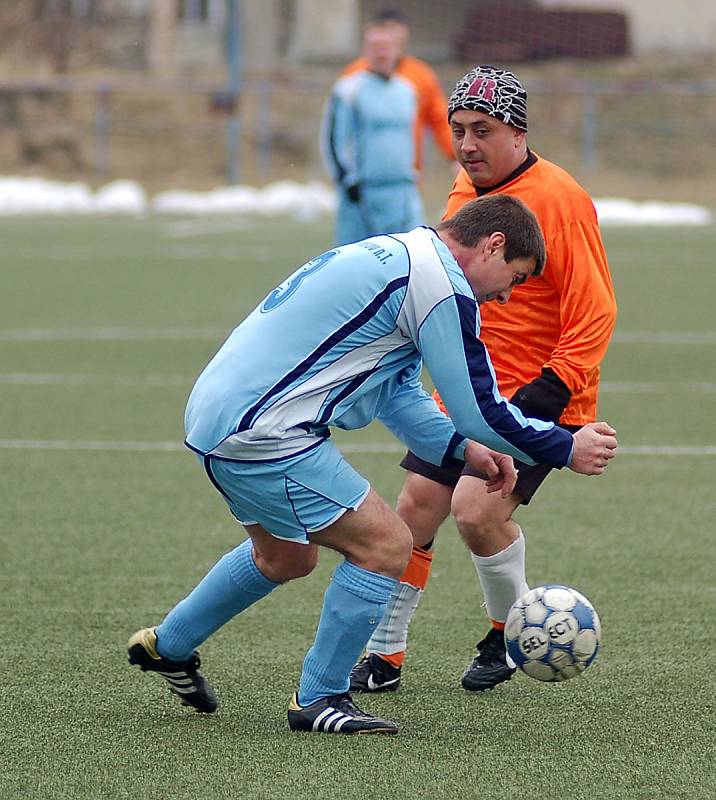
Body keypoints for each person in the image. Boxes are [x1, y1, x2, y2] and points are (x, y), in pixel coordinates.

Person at [126, 194, 617, 736]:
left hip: (219, 417)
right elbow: (480, 408)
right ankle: (319, 697)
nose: (505, 296)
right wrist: (564, 447)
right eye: (515, 278)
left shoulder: (403, 255)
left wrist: (464, 452)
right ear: (494, 244)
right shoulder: (443, 286)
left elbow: (397, 395)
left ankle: (166, 646)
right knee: (386, 545)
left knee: (286, 556)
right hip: (266, 431)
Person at [350, 65, 618, 697]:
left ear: (518, 134)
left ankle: (507, 631)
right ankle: (385, 654)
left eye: (483, 130)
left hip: (540, 392)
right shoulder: (463, 193)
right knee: (415, 507)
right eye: (459, 130)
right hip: (468, 388)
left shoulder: (561, 199)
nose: (468, 144)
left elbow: (595, 308)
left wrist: (552, 390)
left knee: (475, 511)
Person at [320, 18, 424, 246]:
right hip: (364, 194)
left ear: (398, 50)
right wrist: (347, 180)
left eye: (387, 46)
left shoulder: (407, 91)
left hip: (403, 190)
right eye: (375, 47)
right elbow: (333, 140)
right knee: (358, 264)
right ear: (365, 50)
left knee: (413, 257)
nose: (382, 52)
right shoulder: (348, 90)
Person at [341, 8, 454, 178]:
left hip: (407, 177)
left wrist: (455, 156)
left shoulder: (419, 75)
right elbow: (340, 130)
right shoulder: (353, 79)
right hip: (364, 179)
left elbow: (440, 119)